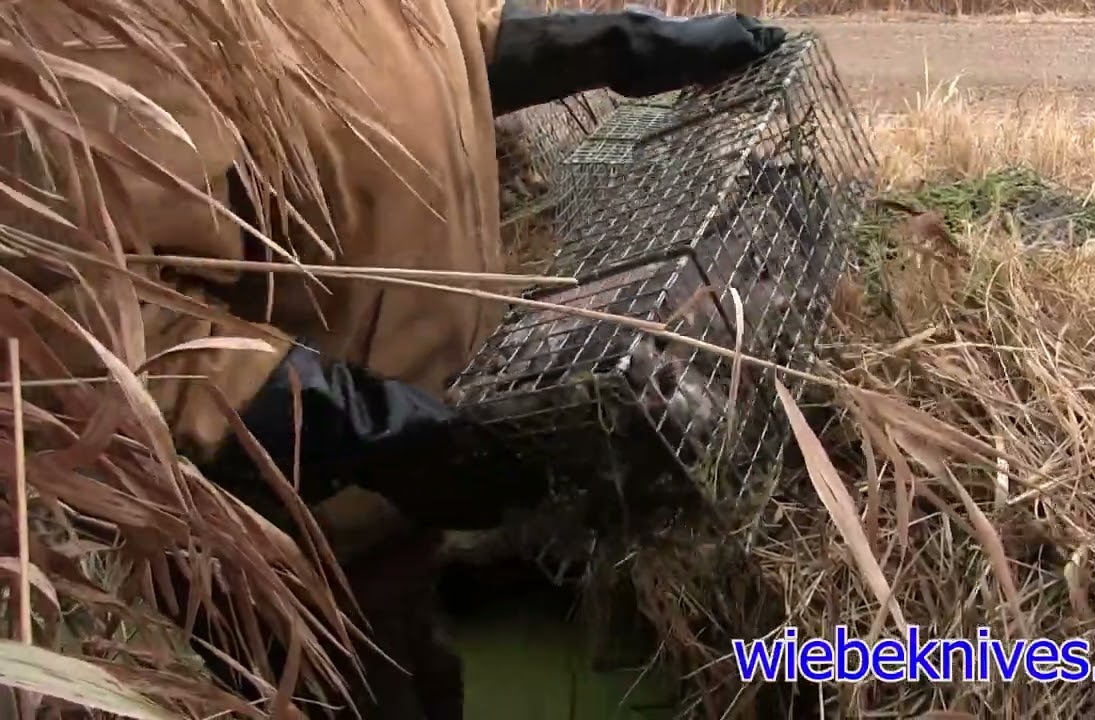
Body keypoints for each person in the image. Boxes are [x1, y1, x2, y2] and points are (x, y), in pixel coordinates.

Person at [12, 0, 785, 716]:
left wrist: (612, 44)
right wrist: (369, 433)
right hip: (289, 544)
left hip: (414, 489)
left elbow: (448, 41)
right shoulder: (103, 22)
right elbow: (98, 322)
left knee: (425, 671)